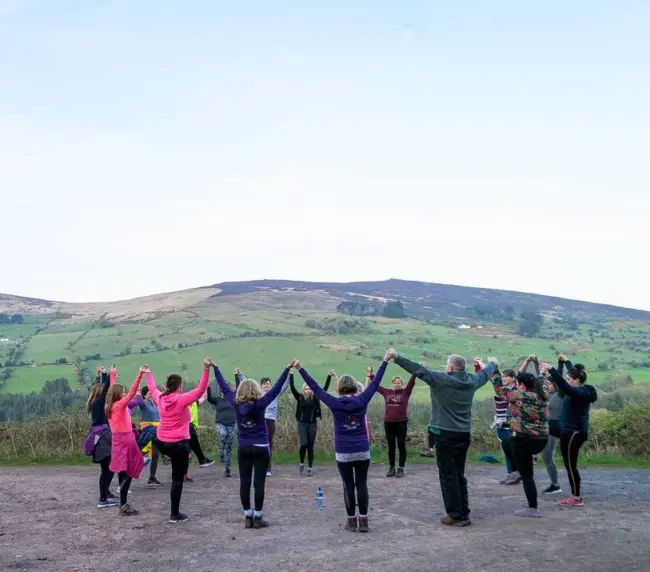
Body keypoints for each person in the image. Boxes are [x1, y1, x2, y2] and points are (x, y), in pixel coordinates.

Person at [390, 349, 498, 527]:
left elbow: (418, 370)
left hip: (444, 434)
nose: (445, 366)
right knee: (459, 474)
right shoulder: (472, 380)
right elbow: (485, 373)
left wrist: (397, 357)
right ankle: (464, 513)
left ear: (452, 367)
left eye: (447, 363)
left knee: (448, 476)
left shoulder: (442, 380)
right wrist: (493, 363)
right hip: (464, 434)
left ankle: (455, 515)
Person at [295, 352, 390, 533]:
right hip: (362, 449)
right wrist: (384, 361)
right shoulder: (362, 399)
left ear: (339, 389)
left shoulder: (335, 402)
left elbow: (315, 388)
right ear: (355, 387)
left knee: (348, 484)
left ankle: (351, 521)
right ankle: (364, 521)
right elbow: (376, 383)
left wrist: (300, 369)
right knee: (361, 484)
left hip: (343, 451)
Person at [213, 362, 293, 529]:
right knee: (259, 483)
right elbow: (277, 388)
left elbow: (225, 388)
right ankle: (258, 517)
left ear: (240, 391)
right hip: (261, 447)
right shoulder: (262, 403)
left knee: (245, 482)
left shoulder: (235, 403)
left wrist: (216, 369)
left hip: (244, 447)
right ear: (257, 390)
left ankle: (247, 517)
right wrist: (286, 370)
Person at [147, 358, 212, 523]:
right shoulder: (181, 399)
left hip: (163, 443)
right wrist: (206, 369)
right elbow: (200, 390)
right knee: (177, 479)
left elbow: (152, 388)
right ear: (179, 387)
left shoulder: (160, 398)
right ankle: (174, 514)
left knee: (189, 430)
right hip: (179, 445)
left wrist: (148, 374)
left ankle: (196, 458)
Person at [491, 365, 549, 518]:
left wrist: (495, 371)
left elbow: (499, 390)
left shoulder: (519, 394)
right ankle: (518, 471)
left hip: (523, 438)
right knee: (507, 442)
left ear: (521, 385)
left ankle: (532, 507)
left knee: (527, 474)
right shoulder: (542, 396)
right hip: (541, 438)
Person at [543, 355, 597, 507]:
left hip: (574, 432)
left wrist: (552, 369)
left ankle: (576, 498)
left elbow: (566, 386)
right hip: (573, 431)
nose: (567, 381)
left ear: (576, 380)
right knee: (570, 465)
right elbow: (573, 377)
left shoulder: (578, 393)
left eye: (569, 378)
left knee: (570, 465)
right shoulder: (582, 389)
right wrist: (566, 362)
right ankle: (575, 495)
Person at [105, 367, 147, 516]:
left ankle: (124, 503)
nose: (124, 394)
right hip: (126, 440)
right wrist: (140, 374)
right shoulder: (119, 406)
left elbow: (112, 389)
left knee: (124, 472)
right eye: (121, 392)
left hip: (118, 441)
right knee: (127, 472)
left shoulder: (110, 405)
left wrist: (112, 375)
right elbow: (131, 393)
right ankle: (123, 505)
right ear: (118, 395)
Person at [85, 366, 118, 508]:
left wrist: (99, 376)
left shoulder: (94, 403)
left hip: (99, 436)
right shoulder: (99, 402)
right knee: (107, 469)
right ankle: (103, 499)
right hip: (103, 438)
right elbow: (106, 388)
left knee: (107, 469)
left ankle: (105, 494)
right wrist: (107, 373)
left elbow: (99, 388)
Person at [289, 369, 333, 476]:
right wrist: (291, 375)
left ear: (312, 390)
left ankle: (309, 468)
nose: (308, 390)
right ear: (303, 390)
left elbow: (325, 389)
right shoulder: (299, 397)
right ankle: (301, 462)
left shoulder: (316, 398)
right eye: (306, 388)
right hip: (302, 424)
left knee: (310, 446)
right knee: (303, 444)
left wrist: (329, 376)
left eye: (310, 388)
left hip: (312, 424)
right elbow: (292, 387)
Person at [484, 361, 519, 486]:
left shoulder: (515, 391)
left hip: (510, 424)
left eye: (506, 376)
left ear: (513, 379)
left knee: (512, 449)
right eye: (502, 376)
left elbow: (496, 384)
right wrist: (488, 366)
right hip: (499, 423)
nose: (503, 378)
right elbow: (494, 381)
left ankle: (516, 473)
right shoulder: (502, 389)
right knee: (506, 450)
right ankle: (511, 473)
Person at [375, 373, 416, 478]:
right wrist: (371, 376)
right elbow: (376, 386)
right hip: (389, 422)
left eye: (399, 383)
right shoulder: (387, 392)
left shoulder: (405, 392)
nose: (397, 384)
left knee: (401, 445)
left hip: (401, 422)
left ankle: (401, 468)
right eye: (395, 383)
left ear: (401, 384)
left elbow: (411, 383)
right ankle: (391, 467)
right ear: (392, 384)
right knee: (391, 445)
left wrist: (414, 374)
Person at [206, 368, 242, 477]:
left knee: (230, 446)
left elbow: (239, 387)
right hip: (220, 423)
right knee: (222, 434)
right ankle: (221, 452)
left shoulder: (233, 398)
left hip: (231, 424)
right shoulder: (217, 400)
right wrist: (208, 387)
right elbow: (210, 399)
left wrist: (236, 375)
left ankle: (227, 469)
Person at [540, 356, 564, 495]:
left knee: (547, 456)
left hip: (554, 429)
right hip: (547, 428)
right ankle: (554, 484)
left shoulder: (560, 394)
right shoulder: (548, 395)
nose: (547, 386)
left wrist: (559, 365)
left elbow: (560, 379)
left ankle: (556, 485)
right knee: (546, 457)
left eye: (549, 384)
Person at [260, 374, 290, 477]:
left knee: (268, 444)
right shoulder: (258, 394)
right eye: (264, 384)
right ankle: (260, 466)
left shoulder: (274, 394)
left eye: (268, 384)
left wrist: (289, 376)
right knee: (259, 444)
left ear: (270, 385)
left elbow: (284, 386)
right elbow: (247, 383)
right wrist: (239, 374)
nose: (266, 386)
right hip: (260, 420)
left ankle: (268, 468)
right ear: (261, 386)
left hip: (270, 420)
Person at [137, 386, 162, 486]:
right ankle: (126, 474)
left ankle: (151, 478)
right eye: (148, 393)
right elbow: (139, 402)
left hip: (155, 432)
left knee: (155, 455)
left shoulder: (154, 404)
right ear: (144, 395)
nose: (150, 394)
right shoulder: (144, 404)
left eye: (151, 393)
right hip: (148, 432)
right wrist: (137, 391)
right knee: (140, 454)